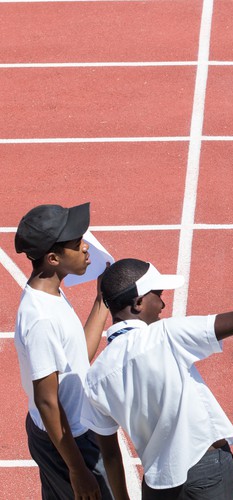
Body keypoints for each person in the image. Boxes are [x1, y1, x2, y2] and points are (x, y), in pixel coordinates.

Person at [80, 229, 233, 499]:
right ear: (138, 303)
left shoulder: (95, 377)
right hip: (206, 472)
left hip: (157, 485)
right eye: (158, 294)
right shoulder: (165, 336)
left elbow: (110, 451)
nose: (162, 303)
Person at [14, 203, 129, 499]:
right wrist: (77, 470)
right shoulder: (42, 318)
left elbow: (78, 358)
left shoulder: (51, 294)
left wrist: (102, 299)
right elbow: (47, 401)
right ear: (53, 258)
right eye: (78, 245)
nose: (86, 247)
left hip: (66, 435)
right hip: (69, 442)